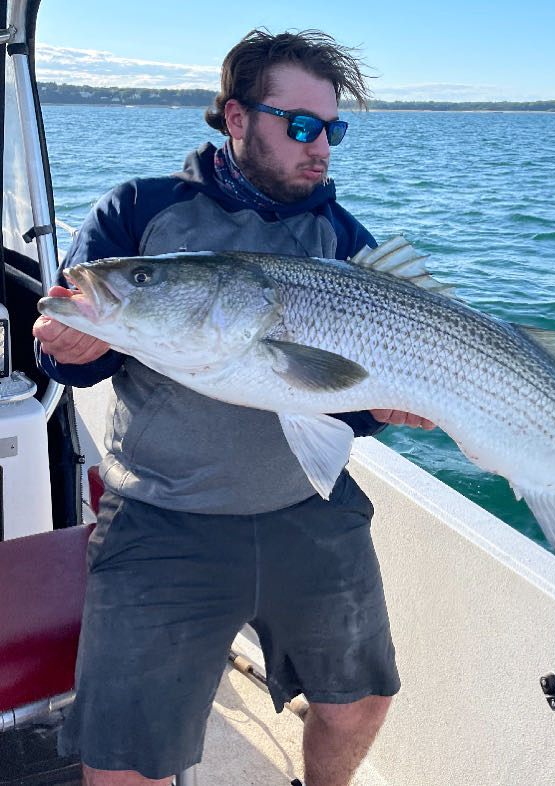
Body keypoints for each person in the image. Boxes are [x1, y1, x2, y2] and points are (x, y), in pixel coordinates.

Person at [33, 29, 433, 786]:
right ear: (237, 118)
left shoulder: (344, 241)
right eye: (303, 126)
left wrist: (387, 408)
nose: (322, 148)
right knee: (124, 762)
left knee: (363, 701)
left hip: (305, 506)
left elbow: (338, 403)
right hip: (162, 516)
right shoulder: (141, 215)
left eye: (333, 130)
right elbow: (74, 341)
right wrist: (62, 345)